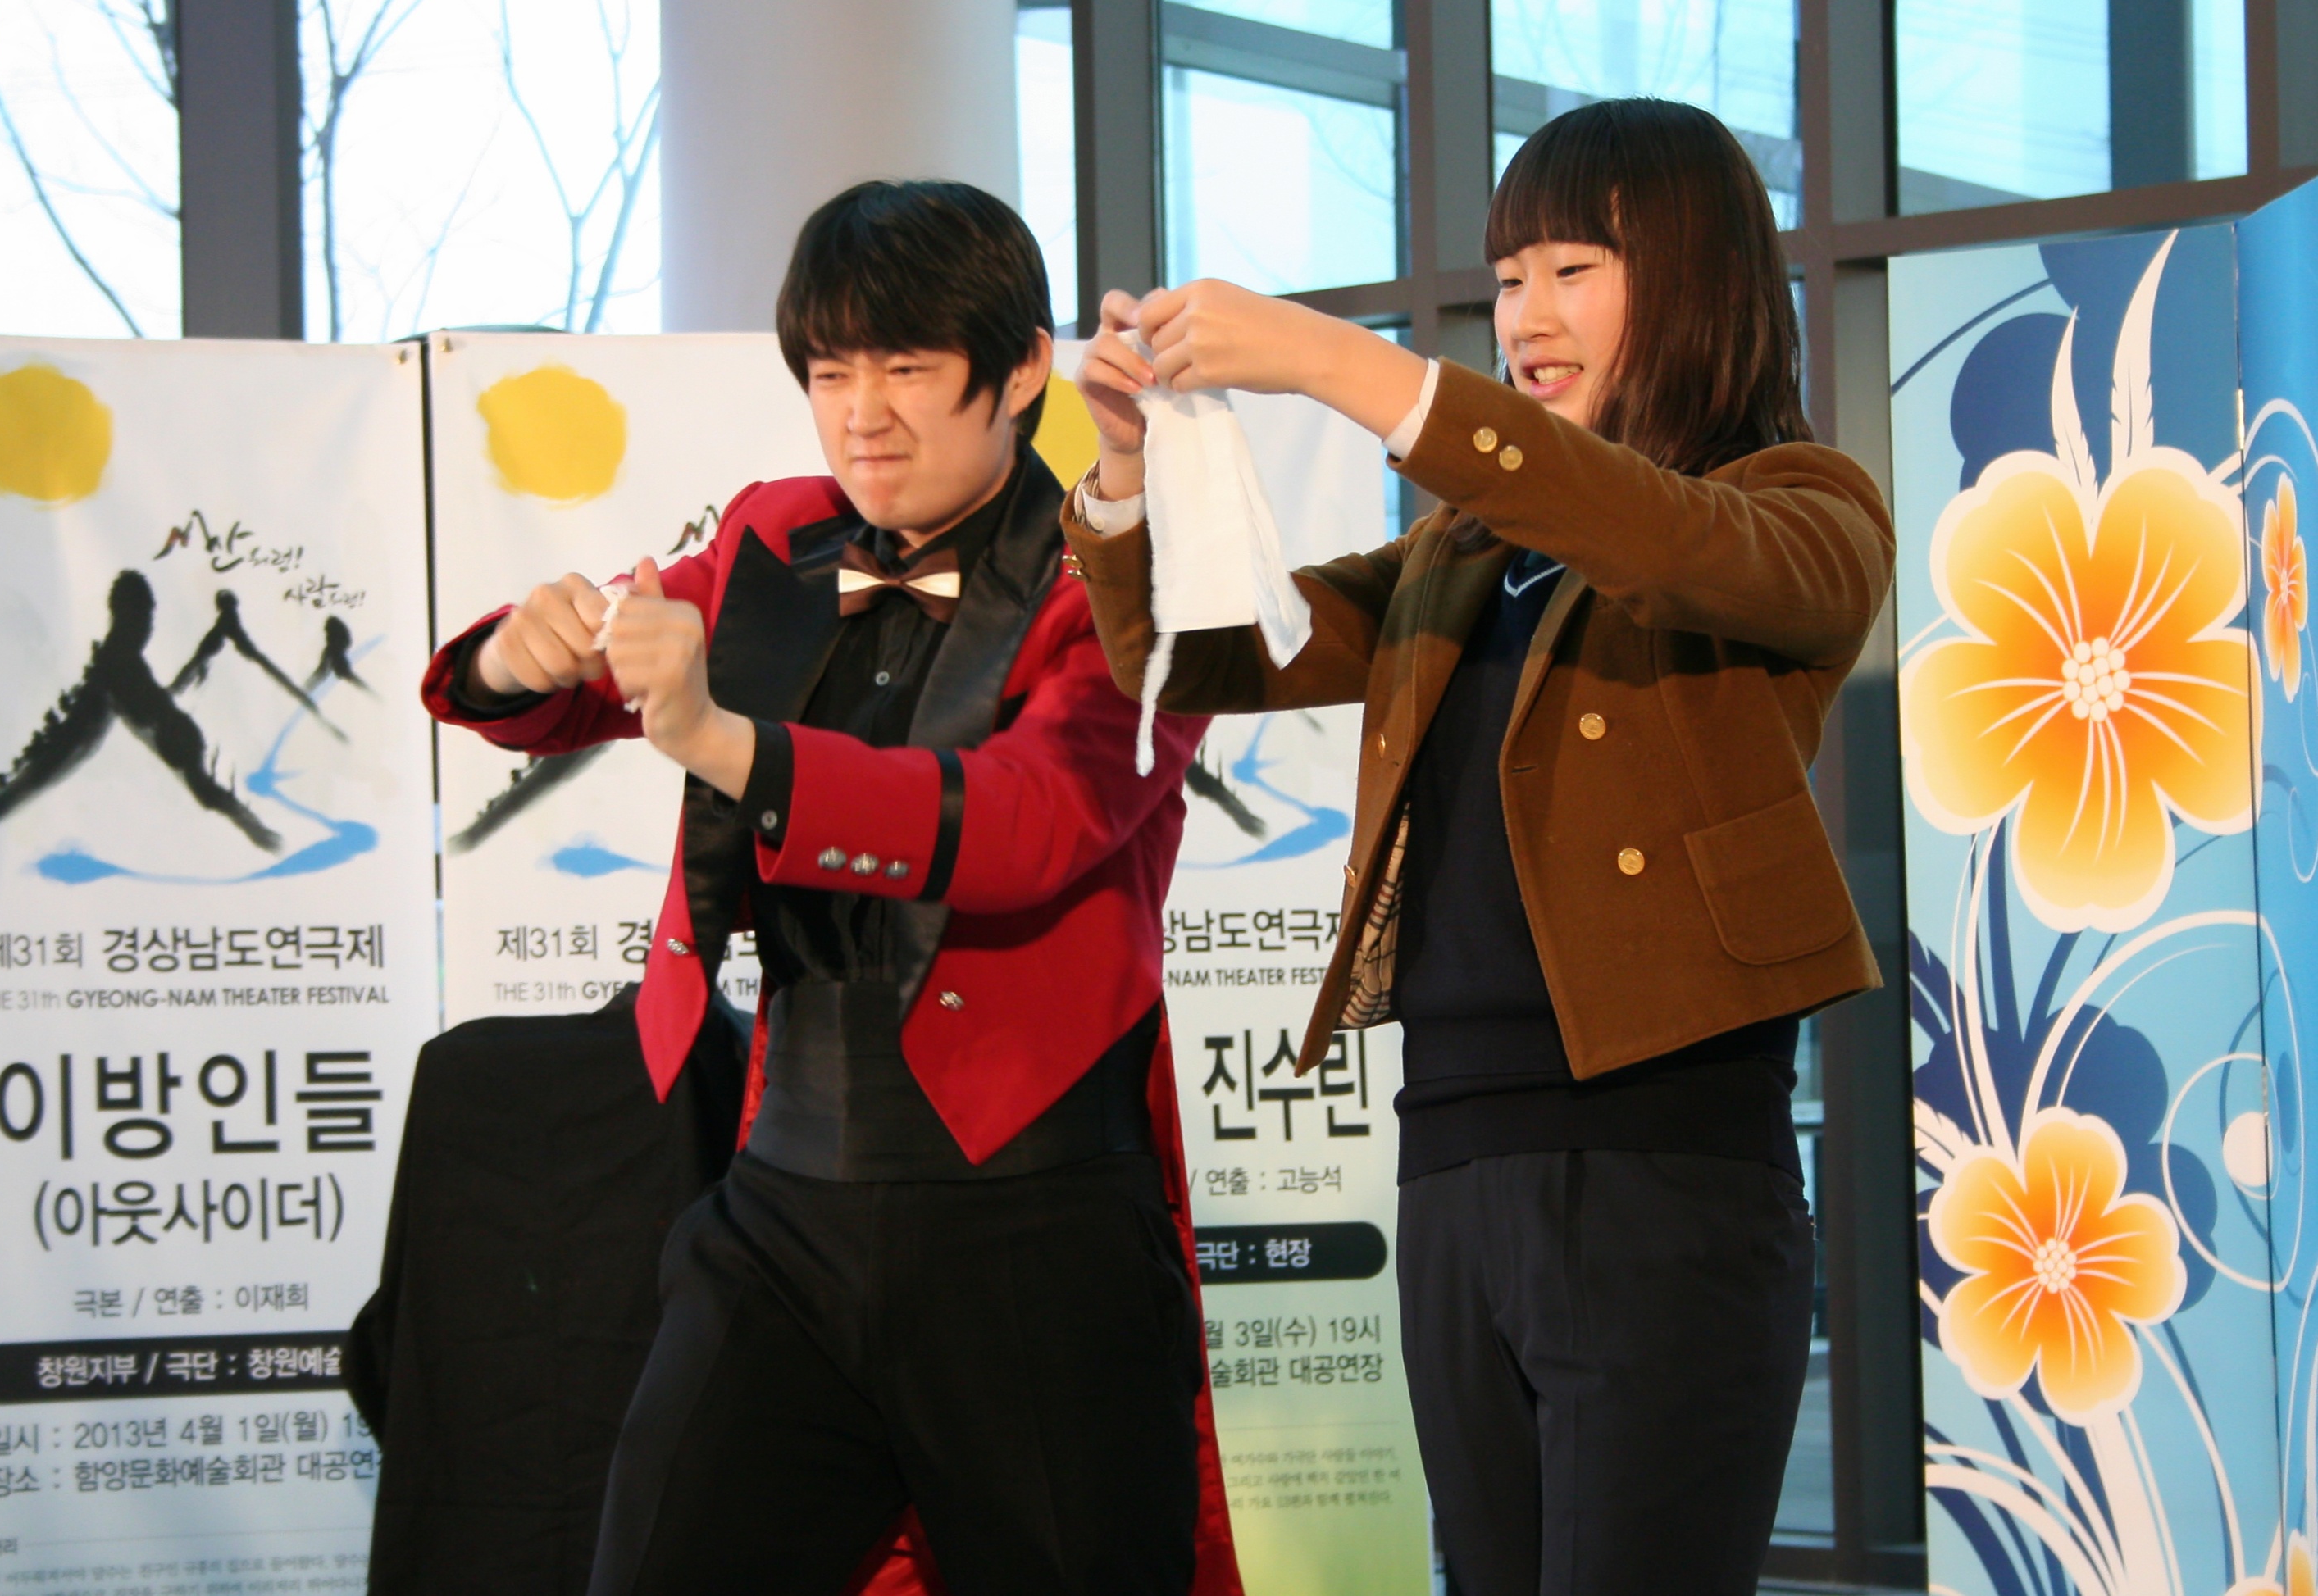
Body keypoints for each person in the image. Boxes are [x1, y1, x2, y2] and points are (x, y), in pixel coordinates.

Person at [1063, 98, 1894, 1595]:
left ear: (1696, 276)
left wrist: (1335, 362)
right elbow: (1212, 656)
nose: (1527, 315)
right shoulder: (1460, 548)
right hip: (1449, 1155)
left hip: (1665, 1160)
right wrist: (1126, 473)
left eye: (1573, 268)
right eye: (1510, 278)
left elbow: (1652, 536)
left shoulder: (1800, 503)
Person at [421, 179, 1240, 1596]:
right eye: (830, 372)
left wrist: (725, 744)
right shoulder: (773, 536)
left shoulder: (1123, 571)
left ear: (1021, 370)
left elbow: (1031, 820)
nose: (864, 414)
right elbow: (563, 684)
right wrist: (522, 648)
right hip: (783, 1206)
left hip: (1033, 1220)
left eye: (907, 367)